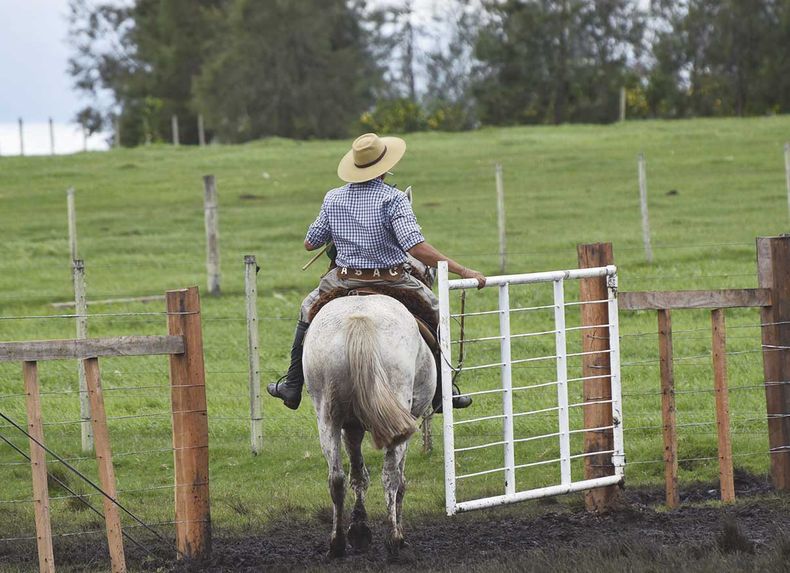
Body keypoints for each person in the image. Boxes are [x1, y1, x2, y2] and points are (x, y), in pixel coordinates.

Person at [267, 132, 486, 411]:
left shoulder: (333, 198)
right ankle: (443, 391)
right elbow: (416, 248)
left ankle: (293, 385)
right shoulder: (394, 199)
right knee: (437, 312)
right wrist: (462, 269)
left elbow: (310, 243)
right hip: (393, 279)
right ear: (384, 169)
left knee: (307, 309)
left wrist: (341, 233)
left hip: (343, 279)